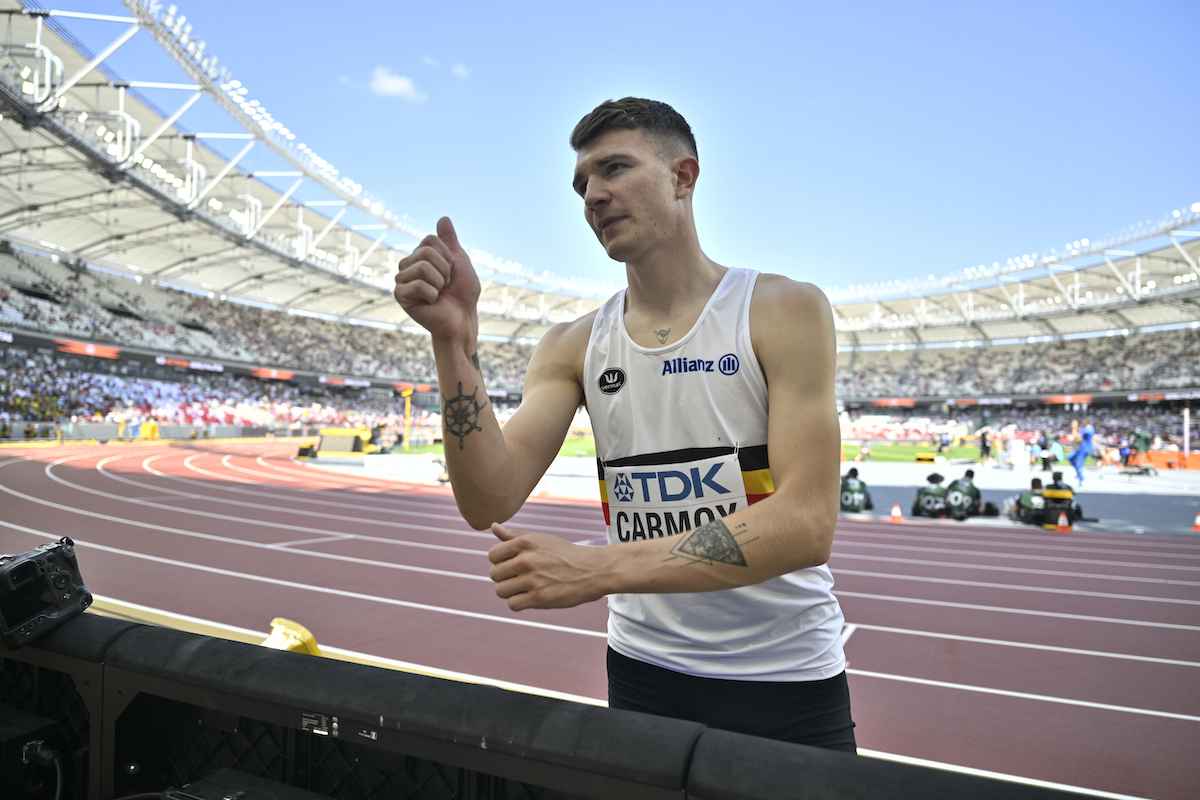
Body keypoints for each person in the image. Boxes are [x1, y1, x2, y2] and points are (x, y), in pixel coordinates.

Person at [391, 98, 854, 750]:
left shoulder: (782, 309)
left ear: (683, 177)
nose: (593, 195)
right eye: (582, 183)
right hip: (642, 673)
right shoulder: (572, 345)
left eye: (614, 169)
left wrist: (598, 568)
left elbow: (805, 523)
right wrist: (452, 345)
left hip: (784, 679)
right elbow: (488, 496)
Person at [1067, 418, 1095, 485]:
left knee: (1079, 463)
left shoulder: (1089, 428)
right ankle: (1078, 474)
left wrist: (1074, 429)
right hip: (1080, 448)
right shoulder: (1083, 429)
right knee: (1070, 458)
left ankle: (1081, 479)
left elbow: (1079, 438)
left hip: (1084, 448)